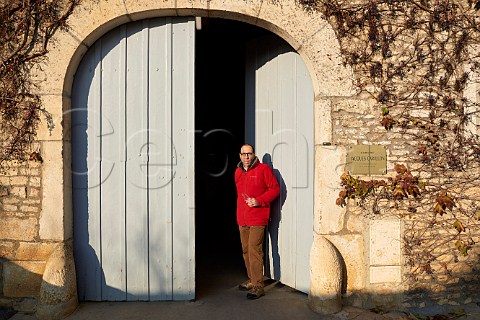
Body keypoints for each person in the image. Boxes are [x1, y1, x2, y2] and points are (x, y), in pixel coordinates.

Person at [234, 143, 280, 299]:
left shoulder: (263, 170)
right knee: (246, 250)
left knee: (254, 250)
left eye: (249, 153)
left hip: (258, 217)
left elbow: (275, 189)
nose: (246, 157)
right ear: (240, 155)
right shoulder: (238, 172)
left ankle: (258, 286)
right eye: (243, 154)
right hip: (243, 217)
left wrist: (259, 201)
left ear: (253, 155)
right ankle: (252, 280)